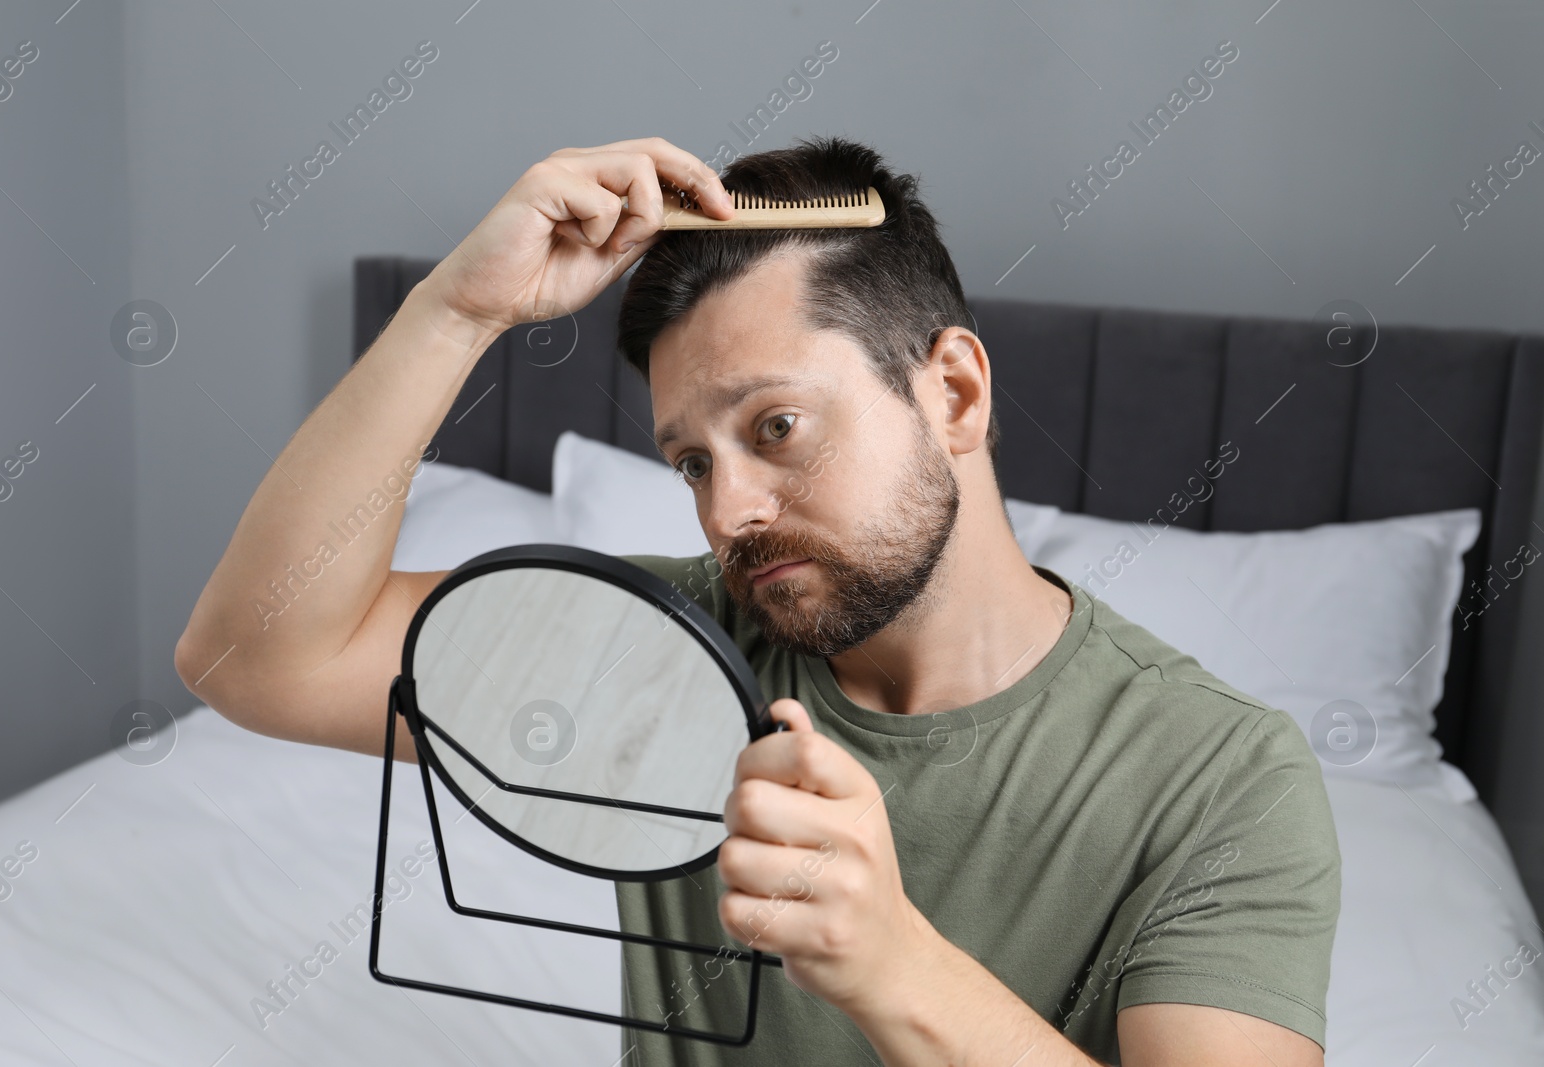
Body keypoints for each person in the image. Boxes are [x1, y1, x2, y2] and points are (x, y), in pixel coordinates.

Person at [176, 134, 1340, 1066]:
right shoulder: (668, 651)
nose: (727, 510)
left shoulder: (1223, 777)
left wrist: (891, 965)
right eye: (691, 461)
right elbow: (253, 658)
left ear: (953, 391)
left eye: (775, 427)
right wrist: (456, 312)